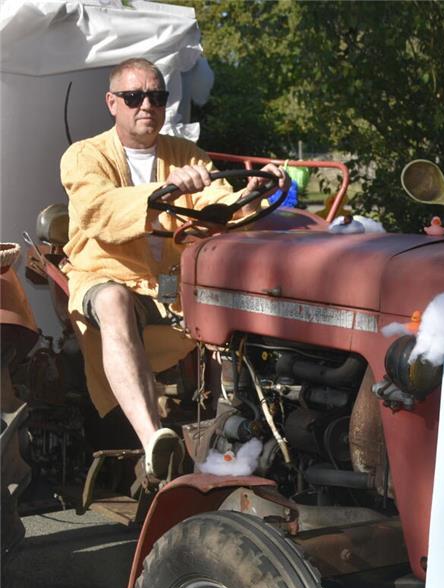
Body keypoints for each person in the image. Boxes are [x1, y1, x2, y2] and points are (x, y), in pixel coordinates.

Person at [59, 57, 289, 483]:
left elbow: (218, 209)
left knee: (226, 301)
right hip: (106, 276)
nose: (146, 105)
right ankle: (153, 444)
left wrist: (252, 195)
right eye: (133, 96)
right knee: (113, 299)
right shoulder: (83, 156)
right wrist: (165, 191)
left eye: (157, 96)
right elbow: (98, 212)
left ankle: (238, 434)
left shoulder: (186, 155)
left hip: (169, 290)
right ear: (112, 102)